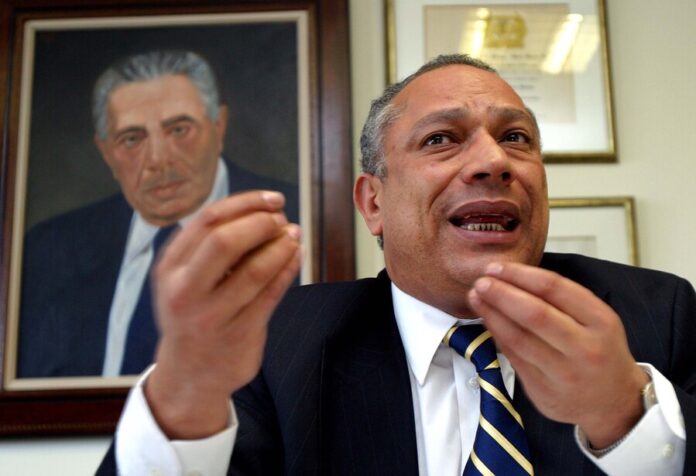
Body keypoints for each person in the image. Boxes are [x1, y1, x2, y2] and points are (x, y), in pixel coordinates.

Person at [97, 54, 695, 475]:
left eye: (516, 138)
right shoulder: (278, 342)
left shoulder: (656, 314)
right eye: (441, 139)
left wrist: (625, 415)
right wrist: (187, 391)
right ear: (373, 203)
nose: (493, 161)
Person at [17, 50, 298, 378]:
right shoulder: (49, 250)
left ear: (219, 126)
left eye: (179, 130)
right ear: (106, 153)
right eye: (131, 139)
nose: (158, 160)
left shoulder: (303, 221)